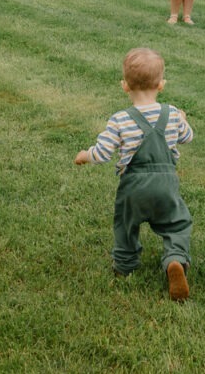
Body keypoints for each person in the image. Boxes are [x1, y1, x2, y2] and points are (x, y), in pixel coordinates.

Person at [74, 47, 195, 301]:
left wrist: (85, 155)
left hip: (133, 187)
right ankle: (175, 259)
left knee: (126, 224)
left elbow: (102, 153)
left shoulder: (120, 120)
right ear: (161, 85)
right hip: (166, 185)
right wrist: (183, 119)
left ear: (124, 86)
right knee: (177, 222)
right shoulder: (171, 113)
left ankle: (125, 266)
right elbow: (187, 137)